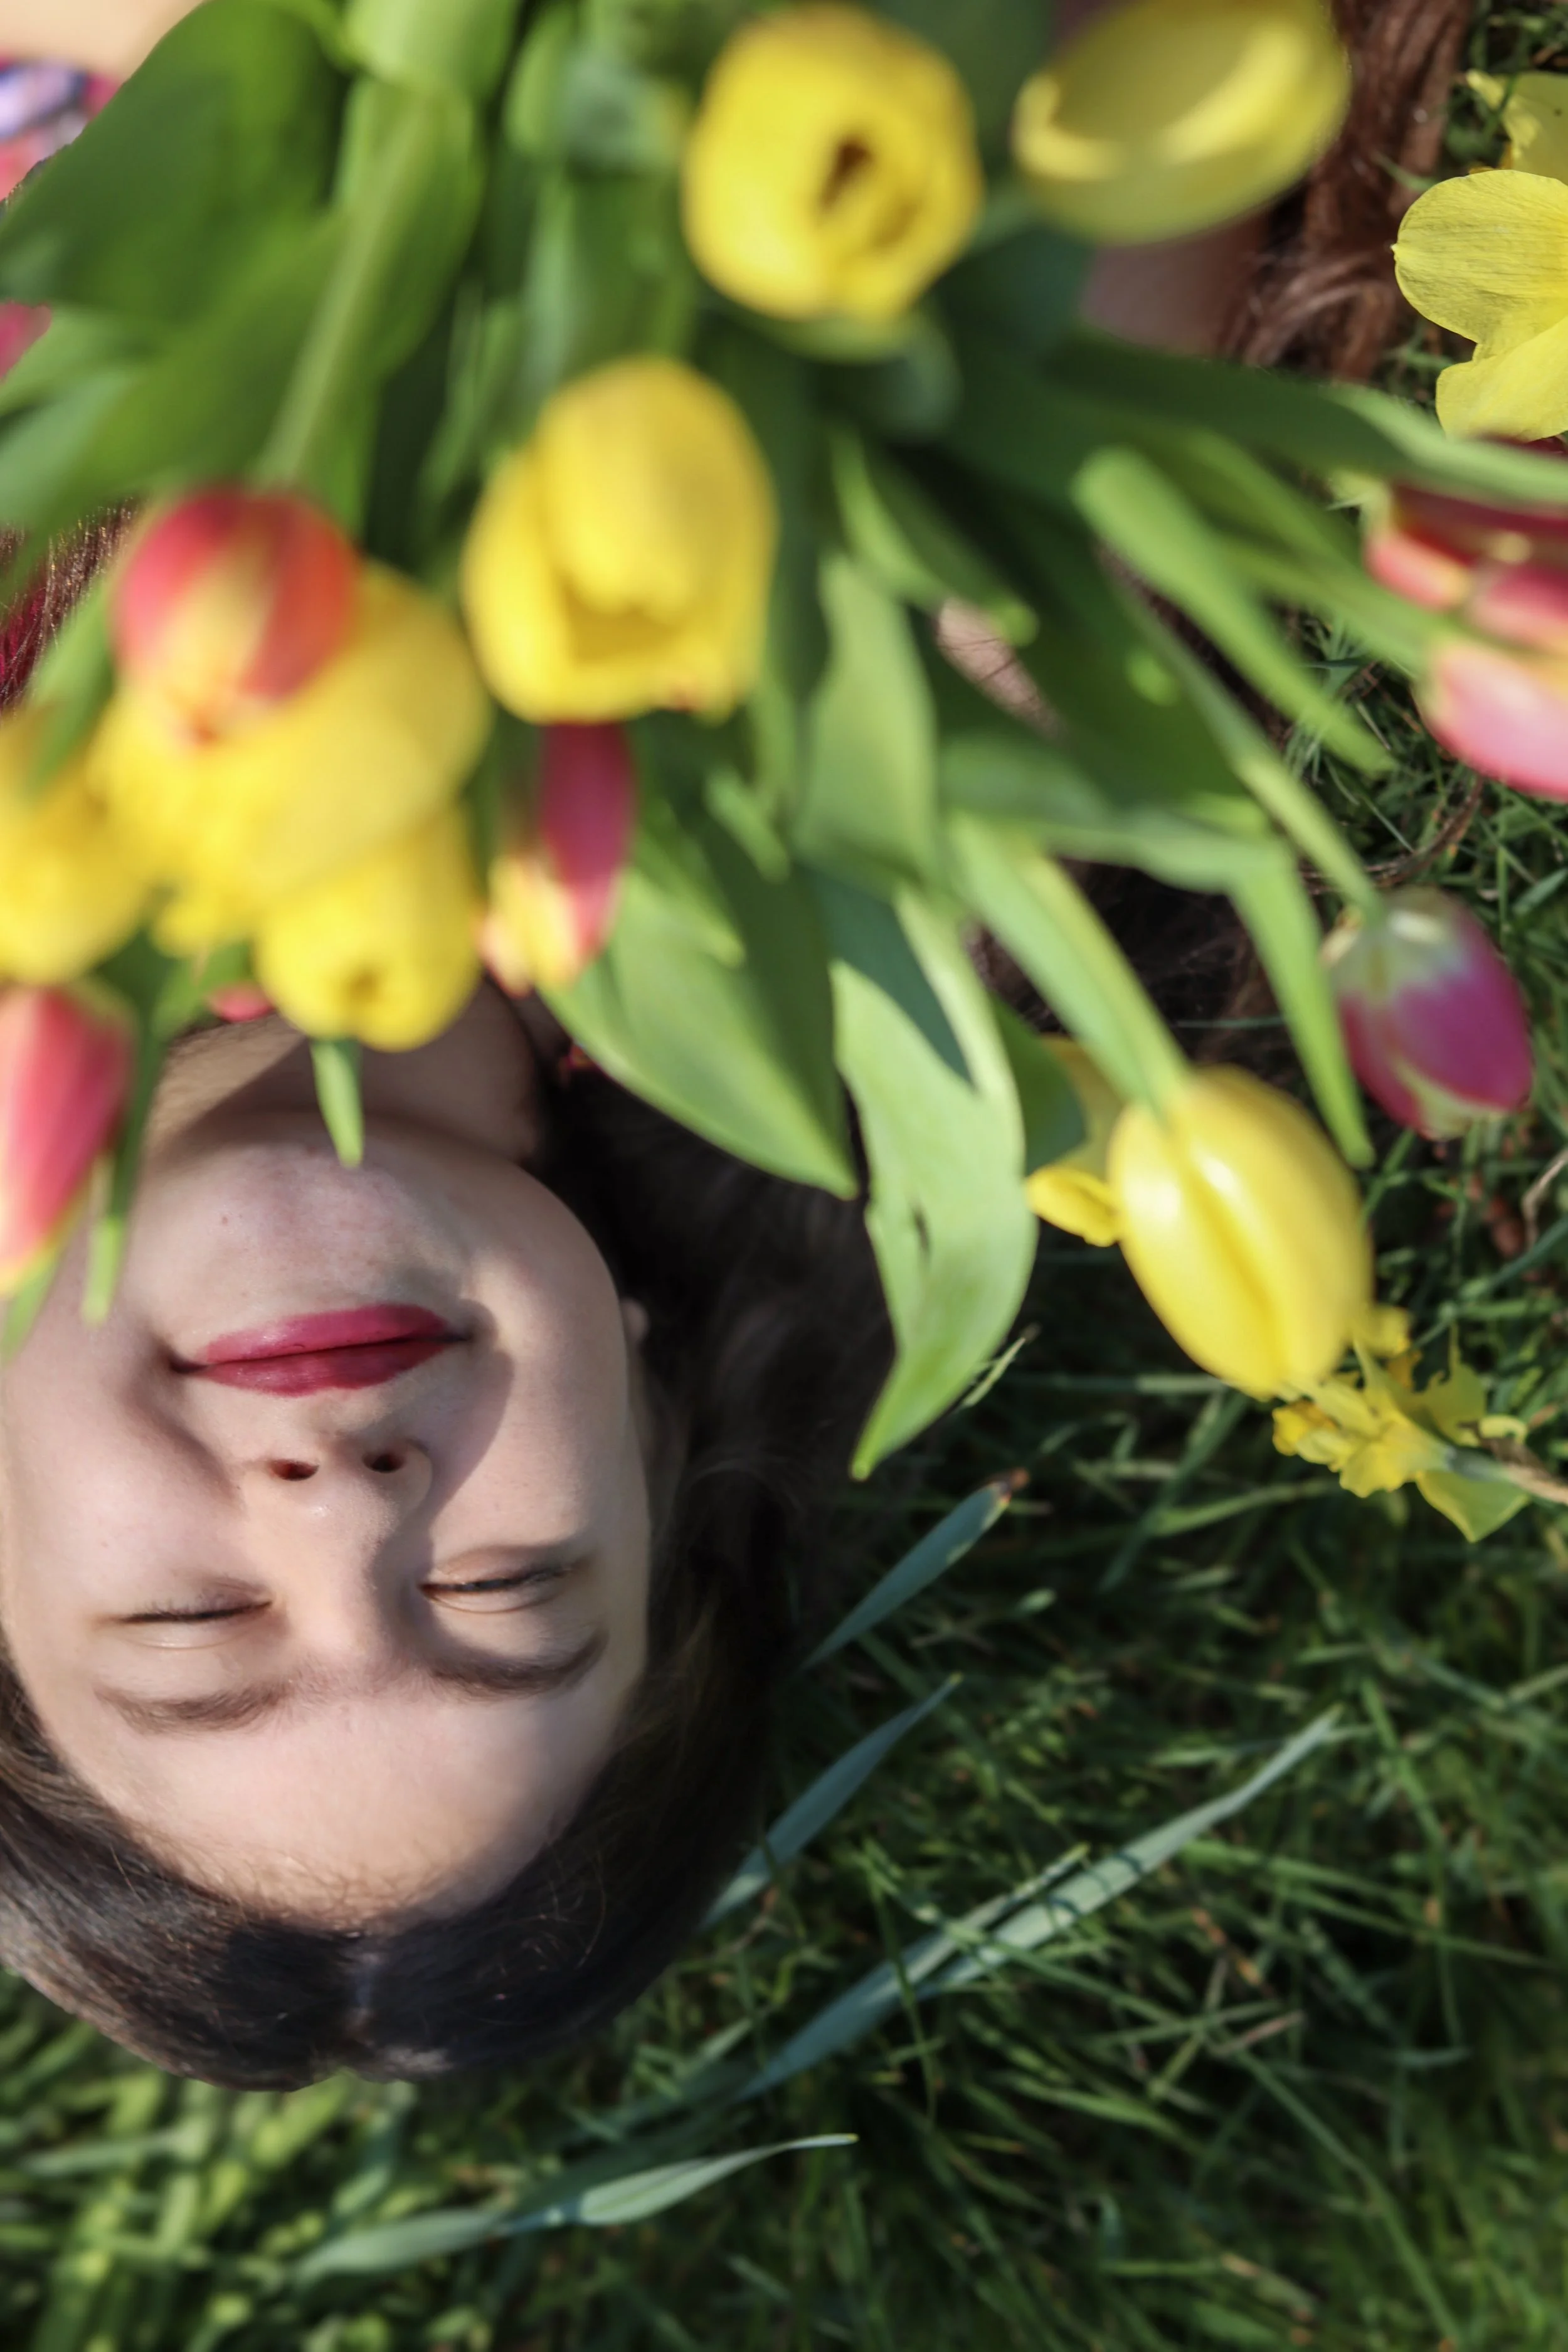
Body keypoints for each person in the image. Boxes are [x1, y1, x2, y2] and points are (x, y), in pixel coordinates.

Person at [0, 0, 1473, 2088]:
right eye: (513, 1585)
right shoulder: (889, 761)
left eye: (192, 1629)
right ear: (656, 1414)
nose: (345, 1516)